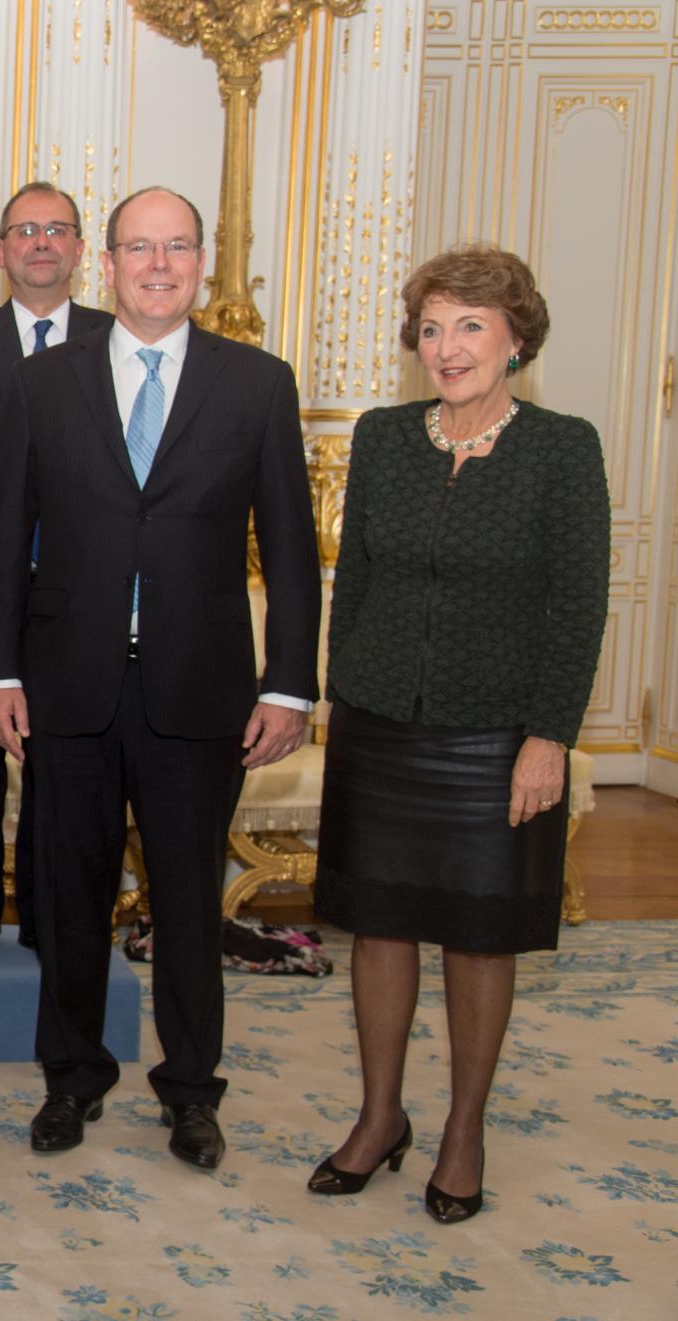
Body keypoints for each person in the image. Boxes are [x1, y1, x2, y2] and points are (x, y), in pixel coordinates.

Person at [0, 186, 321, 1171]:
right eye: (139, 248)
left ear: (200, 264)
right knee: (68, 900)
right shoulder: (42, 383)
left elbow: (289, 547)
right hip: (67, 686)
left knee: (189, 904)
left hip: (200, 689)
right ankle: (71, 1078)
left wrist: (289, 684)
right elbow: (1, 539)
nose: (158, 265)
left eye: (176, 248)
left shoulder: (257, 384)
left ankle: (191, 1092)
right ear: (109, 263)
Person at [308, 245, 607, 1223]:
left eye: (471, 326)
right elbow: (354, 579)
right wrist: (339, 693)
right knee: (380, 925)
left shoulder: (562, 449)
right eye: (432, 328)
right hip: (378, 724)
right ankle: (379, 1115)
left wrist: (549, 736)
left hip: (494, 735)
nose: (448, 347)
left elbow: (577, 605)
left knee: (480, 936)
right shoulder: (385, 436)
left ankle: (463, 1130)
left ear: (516, 339)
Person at [0, 180, 113, 970]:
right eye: (25, 231)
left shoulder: (116, 340)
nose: (41, 243)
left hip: (80, 598)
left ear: (80, 251)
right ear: (0, 251)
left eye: (56, 229)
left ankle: (46, 913)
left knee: (62, 765)